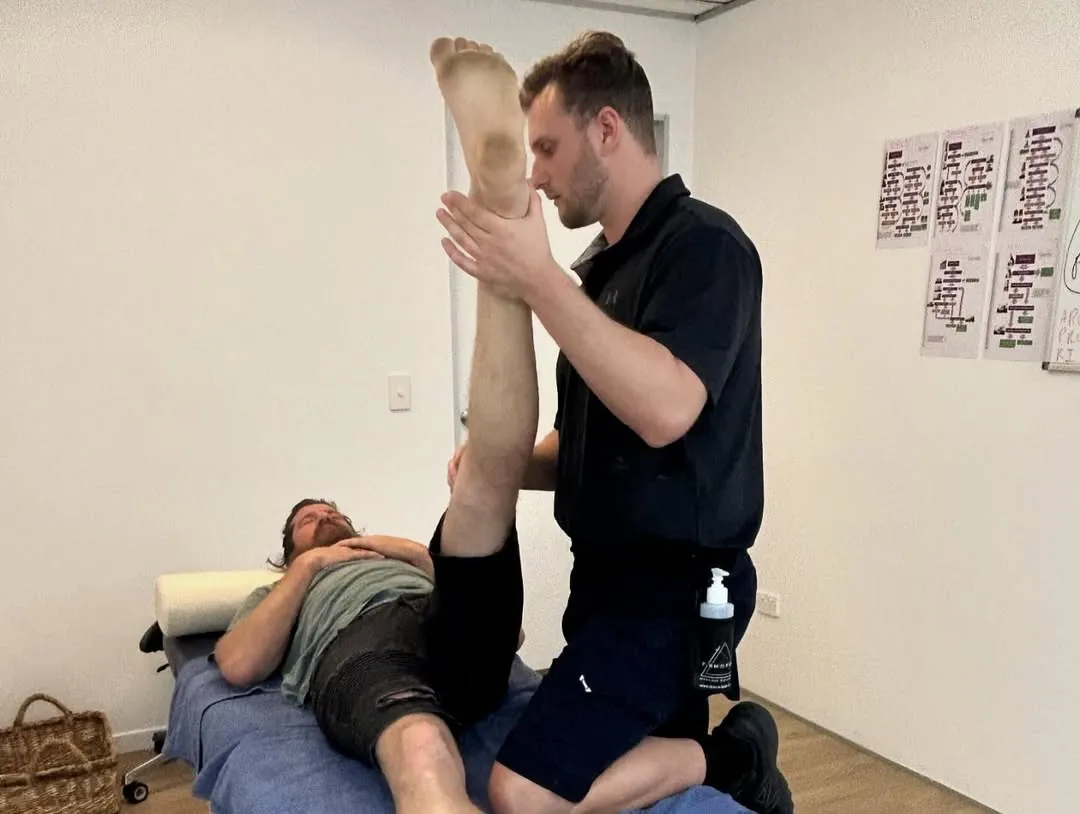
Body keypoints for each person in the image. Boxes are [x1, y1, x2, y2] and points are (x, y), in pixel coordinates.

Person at [437, 30, 793, 814]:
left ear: (608, 129)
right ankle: (710, 759)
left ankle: (723, 761)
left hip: (675, 594)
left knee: (521, 793)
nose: (536, 175)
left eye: (547, 148)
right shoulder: (600, 273)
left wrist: (537, 280)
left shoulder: (708, 249)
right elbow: (592, 441)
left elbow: (666, 409)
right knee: (633, 770)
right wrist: (502, 465)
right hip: (608, 588)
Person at [215, 38, 543, 814]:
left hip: (448, 630)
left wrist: (383, 545)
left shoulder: (389, 552)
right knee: (424, 755)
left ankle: (502, 210)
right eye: (304, 522)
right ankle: (502, 213)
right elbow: (232, 666)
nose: (320, 516)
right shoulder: (281, 590)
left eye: (327, 509)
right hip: (358, 650)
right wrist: (310, 571)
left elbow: (486, 605)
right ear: (285, 548)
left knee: (481, 482)